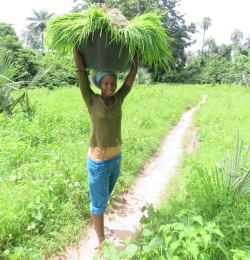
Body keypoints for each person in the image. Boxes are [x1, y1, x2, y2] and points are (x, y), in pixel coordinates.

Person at [74, 49, 138, 252]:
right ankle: (101, 242)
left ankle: (100, 227)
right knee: (99, 202)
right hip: (99, 160)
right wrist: (77, 47)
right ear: (99, 84)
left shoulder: (119, 98)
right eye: (105, 83)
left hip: (116, 158)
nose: (110, 87)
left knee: (103, 198)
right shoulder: (91, 99)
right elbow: (81, 71)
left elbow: (131, 77)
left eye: (112, 83)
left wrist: (136, 56)